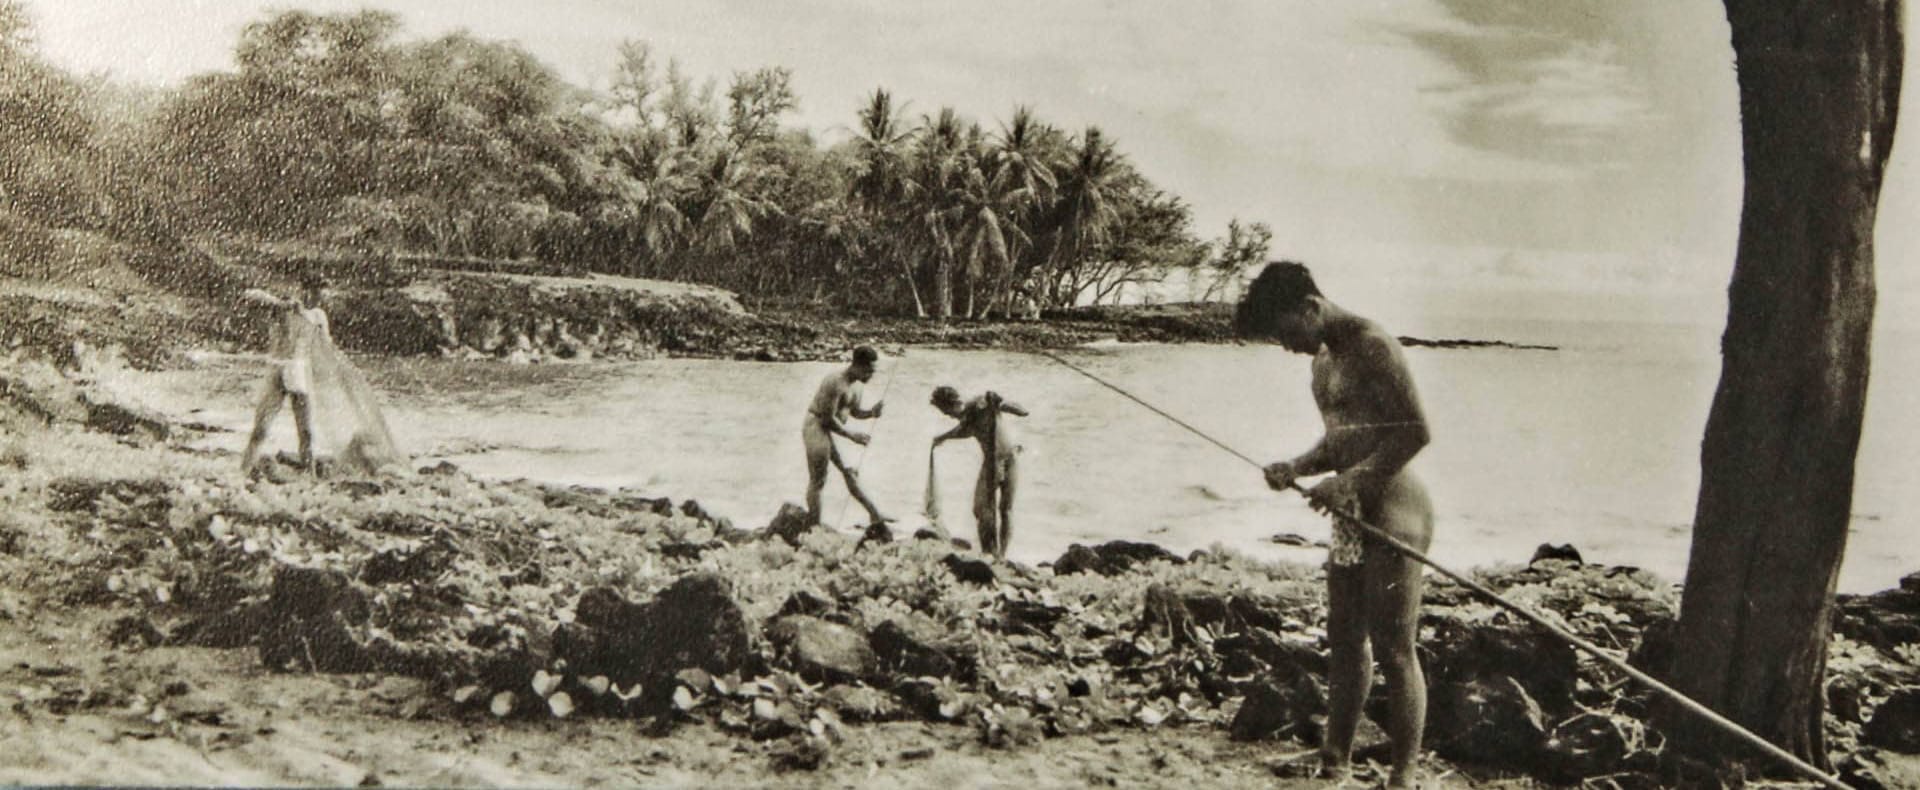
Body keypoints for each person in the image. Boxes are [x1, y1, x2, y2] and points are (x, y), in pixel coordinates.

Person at [1235, 261, 1434, 790]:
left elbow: (1415, 432)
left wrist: (1352, 482)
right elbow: (1341, 439)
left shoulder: (1374, 345)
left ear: (1310, 307)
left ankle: (1402, 777)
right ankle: (1334, 762)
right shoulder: (1323, 362)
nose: (1286, 346)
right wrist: (1297, 467)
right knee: (1344, 641)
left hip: (1396, 510)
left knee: (1395, 647)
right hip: (1350, 517)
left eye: (1286, 332)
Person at [241, 274, 334, 476]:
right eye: (318, 293)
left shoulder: (318, 315)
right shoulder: (283, 306)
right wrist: (281, 304)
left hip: (300, 370)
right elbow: (250, 295)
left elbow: (327, 345)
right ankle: (243, 472)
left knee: (307, 432)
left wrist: (309, 320)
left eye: (322, 295)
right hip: (277, 368)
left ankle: (309, 478)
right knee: (261, 429)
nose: (320, 299)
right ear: (306, 290)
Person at [930, 385, 1028, 559]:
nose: (949, 416)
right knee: (1001, 509)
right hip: (1009, 457)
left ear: (955, 403)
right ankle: (997, 554)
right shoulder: (969, 414)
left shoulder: (980, 403)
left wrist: (1004, 403)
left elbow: (1014, 409)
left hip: (998, 461)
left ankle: (994, 554)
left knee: (987, 508)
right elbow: (964, 431)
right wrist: (942, 437)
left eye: (947, 411)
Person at [803, 345, 891, 526]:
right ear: (858, 365)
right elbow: (827, 419)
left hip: (831, 428)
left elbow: (854, 412)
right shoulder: (835, 382)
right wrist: (852, 437)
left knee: (849, 472)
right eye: (869, 371)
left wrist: (871, 413)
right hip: (816, 425)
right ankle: (814, 525)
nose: (871, 376)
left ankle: (875, 515)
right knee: (819, 479)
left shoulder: (857, 386)